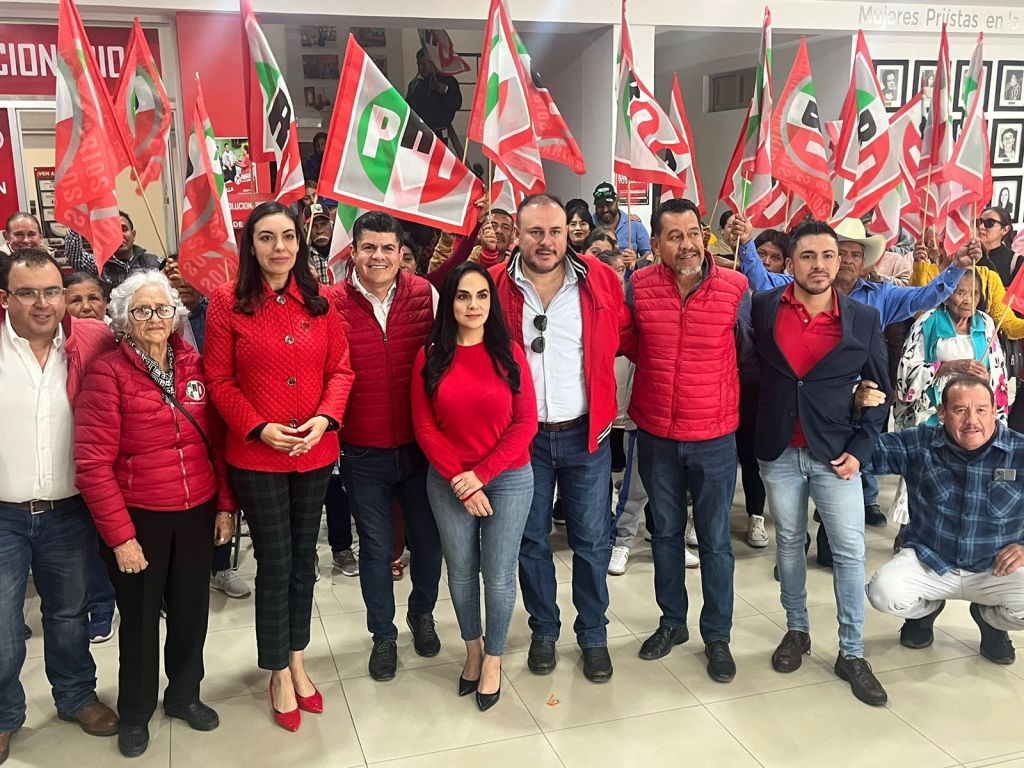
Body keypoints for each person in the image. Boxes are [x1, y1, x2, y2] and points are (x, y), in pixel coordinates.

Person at [204, 201, 354, 731]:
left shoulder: (321, 302)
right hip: (257, 455)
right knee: (275, 562)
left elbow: (341, 370)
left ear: (300, 242)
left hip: (314, 452)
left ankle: (297, 658)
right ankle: (277, 671)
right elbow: (218, 379)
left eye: (288, 236)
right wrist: (258, 427)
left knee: (304, 562)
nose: (279, 247)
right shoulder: (227, 302)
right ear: (251, 245)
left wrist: (325, 419)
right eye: (266, 237)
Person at [730, 214, 980, 530]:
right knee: (791, 529)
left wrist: (955, 267)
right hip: (801, 410)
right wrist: (746, 243)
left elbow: (924, 296)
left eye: (854, 254)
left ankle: (867, 500)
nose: (847, 260)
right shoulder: (795, 289)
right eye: (842, 252)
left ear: (862, 261)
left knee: (846, 529)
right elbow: (762, 282)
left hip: (857, 410)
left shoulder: (881, 296)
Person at [74, 270, 235, 756]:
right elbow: (92, 465)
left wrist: (225, 506)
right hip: (140, 516)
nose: (154, 318)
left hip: (196, 510)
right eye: (141, 310)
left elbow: (218, 444)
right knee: (141, 621)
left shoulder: (195, 365)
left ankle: (184, 695)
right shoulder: (107, 374)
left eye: (162, 308)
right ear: (124, 319)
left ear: (176, 314)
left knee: (191, 612)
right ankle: (136, 711)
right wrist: (122, 538)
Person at [489, 193, 631, 682]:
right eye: (535, 232)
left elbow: (624, 335)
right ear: (517, 235)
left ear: (568, 233)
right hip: (522, 440)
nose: (546, 242)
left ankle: (593, 634)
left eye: (555, 232)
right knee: (530, 540)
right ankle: (544, 630)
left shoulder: (601, 279)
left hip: (585, 435)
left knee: (591, 541)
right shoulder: (494, 285)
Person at [751, 219, 892, 707]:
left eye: (828, 255)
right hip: (779, 451)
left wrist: (862, 449)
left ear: (841, 260)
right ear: (791, 262)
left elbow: (881, 392)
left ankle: (852, 652)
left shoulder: (863, 319)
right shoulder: (764, 306)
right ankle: (797, 631)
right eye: (808, 256)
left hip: (836, 454)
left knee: (850, 552)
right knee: (789, 543)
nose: (819, 265)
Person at [619, 197, 751, 681]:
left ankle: (717, 635)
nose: (687, 244)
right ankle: (672, 622)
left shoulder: (735, 286)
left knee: (715, 541)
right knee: (666, 535)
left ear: (705, 236)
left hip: (714, 436)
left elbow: (748, 349)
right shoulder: (638, 286)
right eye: (674, 236)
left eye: (693, 233)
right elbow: (630, 341)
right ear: (655, 244)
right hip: (656, 433)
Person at [0, 248, 119, 765]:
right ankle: (4, 715)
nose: (43, 303)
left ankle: (75, 697)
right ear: (5, 298)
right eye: (28, 293)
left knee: (69, 614)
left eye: (52, 291)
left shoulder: (90, 340)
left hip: (68, 510)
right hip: (3, 515)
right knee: (3, 624)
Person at [411, 261, 537, 711]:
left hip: (508, 479)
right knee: (462, 571)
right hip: (448, 482)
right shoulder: (430, 355)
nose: (473, 305)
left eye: (482, 295)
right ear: (450, 302)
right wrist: (462, 483)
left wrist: (481, 476)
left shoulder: (510, 353)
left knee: (498, 574)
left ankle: (494, 658)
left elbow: (525, 423)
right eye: (463, 296)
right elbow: (425, 428)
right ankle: (472, 650)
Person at [328, 211, 443, 683]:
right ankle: (383, 634)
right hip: (362, 451)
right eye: (369, 247)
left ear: (400, 253)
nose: (378, 256)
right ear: (353, 251)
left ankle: (422, 613)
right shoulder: (331, 303)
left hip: (420, 448)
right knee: (376, 549)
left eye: (387, 248)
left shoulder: (425, 295)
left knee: (429, 543)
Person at [865, 376, 1024, 665]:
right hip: (930, 560)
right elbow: (865, 454)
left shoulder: (1019, 451)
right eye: (960, 410)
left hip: (995, 568)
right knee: (883, 592)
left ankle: (991, 621)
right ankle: (924, 613)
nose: (972, 420)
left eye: (981, 410)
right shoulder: (919, 442)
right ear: (942, 412)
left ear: (995, 410)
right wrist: (854, 407)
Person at [65, 212, 164, 288]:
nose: (119, 235)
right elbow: (75, 257)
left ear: (133, 235)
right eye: (114, 231)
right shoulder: (98, 263)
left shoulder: (153, 262)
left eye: (124, 229)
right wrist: (79, 217)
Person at [406, 49, 463, 149]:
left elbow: (456, 104)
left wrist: (446, 91)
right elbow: (409, 105)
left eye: (424, 64)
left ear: (433, 63)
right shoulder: (415, 84)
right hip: (418, 132)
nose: (421, 68)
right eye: (418, 64)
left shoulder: (447, 81)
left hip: (438, 133)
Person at [592, 182, 652, 267]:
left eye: (609, 205)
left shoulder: (634, 225)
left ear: (617, 200)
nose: (605, 210)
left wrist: (636, 262)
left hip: (629, 275)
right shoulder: (589, 224)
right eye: (600, 206)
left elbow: (649, 256)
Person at [306, 207, 334, 285]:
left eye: (324, 224)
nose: (320, 230)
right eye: (313, 225)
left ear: (332, 225)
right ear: (306, 230)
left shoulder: (342, 251)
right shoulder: (303, 257)